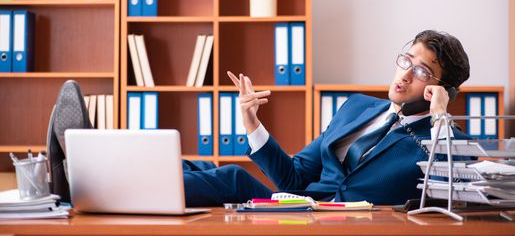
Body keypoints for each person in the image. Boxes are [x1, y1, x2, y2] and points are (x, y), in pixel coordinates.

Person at [48, 30, 470, 206]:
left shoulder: (444, 140)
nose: (405, 74)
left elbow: (456, 191)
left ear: (442, 89)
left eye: (423, 71)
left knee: (230, 178)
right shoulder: (357, 107)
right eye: (407, 60)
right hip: (300, 206)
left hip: (334, 218)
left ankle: (84, 188)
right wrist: (253, 123)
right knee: (196, 166)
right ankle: (86, 175)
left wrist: (437, 120)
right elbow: (293, 177)